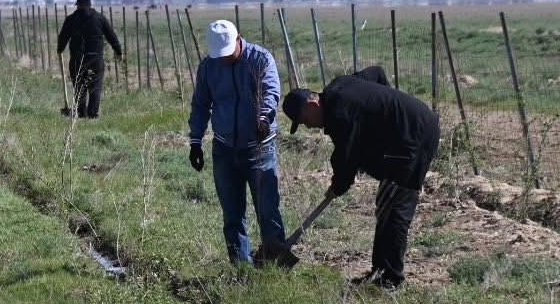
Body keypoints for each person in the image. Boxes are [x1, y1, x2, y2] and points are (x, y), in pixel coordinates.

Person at [283, 66, 441, 289]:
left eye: (304, 120)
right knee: (385, 206)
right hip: (409, 131)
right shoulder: (340, 85)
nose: (308, 126)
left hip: (414, 137)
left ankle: (390, 280)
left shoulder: (339, 114)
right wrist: (387, 111)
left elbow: (346, 158)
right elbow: (377, 73)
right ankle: (379, 273)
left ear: (312, 104)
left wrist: (338, 186)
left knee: (395, 211)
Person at [188, 19, 293, 268]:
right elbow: (200, 104)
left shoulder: (260, 59)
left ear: (239, 39)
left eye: (228, 53)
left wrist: (264, 119)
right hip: (224, 149)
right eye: (219, 55)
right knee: (232, 215)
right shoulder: (209, 66)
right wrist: (195, 141)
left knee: (268, 211)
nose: (224, 59)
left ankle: (276, 266)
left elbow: (270, 92)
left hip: (259, 148)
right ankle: (241, 269)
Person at [56, 0, 123, 118]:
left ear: (78, 5)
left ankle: (81, 112)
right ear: (90, 5)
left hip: (77, 58)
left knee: (79, 86)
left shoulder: (71, 19)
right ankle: (92, 114)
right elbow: (111, 35)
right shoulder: (100, 18)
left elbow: (63, 36)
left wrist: (60, 49)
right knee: (95, 86)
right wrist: (118, 51)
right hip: (95, 58)